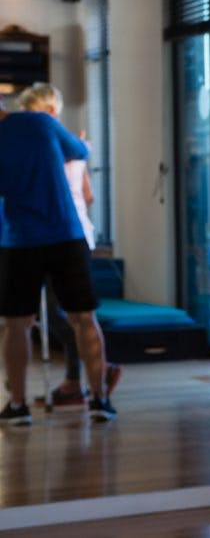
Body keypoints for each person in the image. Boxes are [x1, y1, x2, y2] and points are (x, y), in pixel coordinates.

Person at [0, 92, 117, 425]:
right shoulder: (40, 122)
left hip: (20, 239)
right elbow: (80, 151)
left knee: (17, 324)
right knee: (84, 318)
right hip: (65, 233)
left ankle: (18, 405)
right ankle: (99, 399)